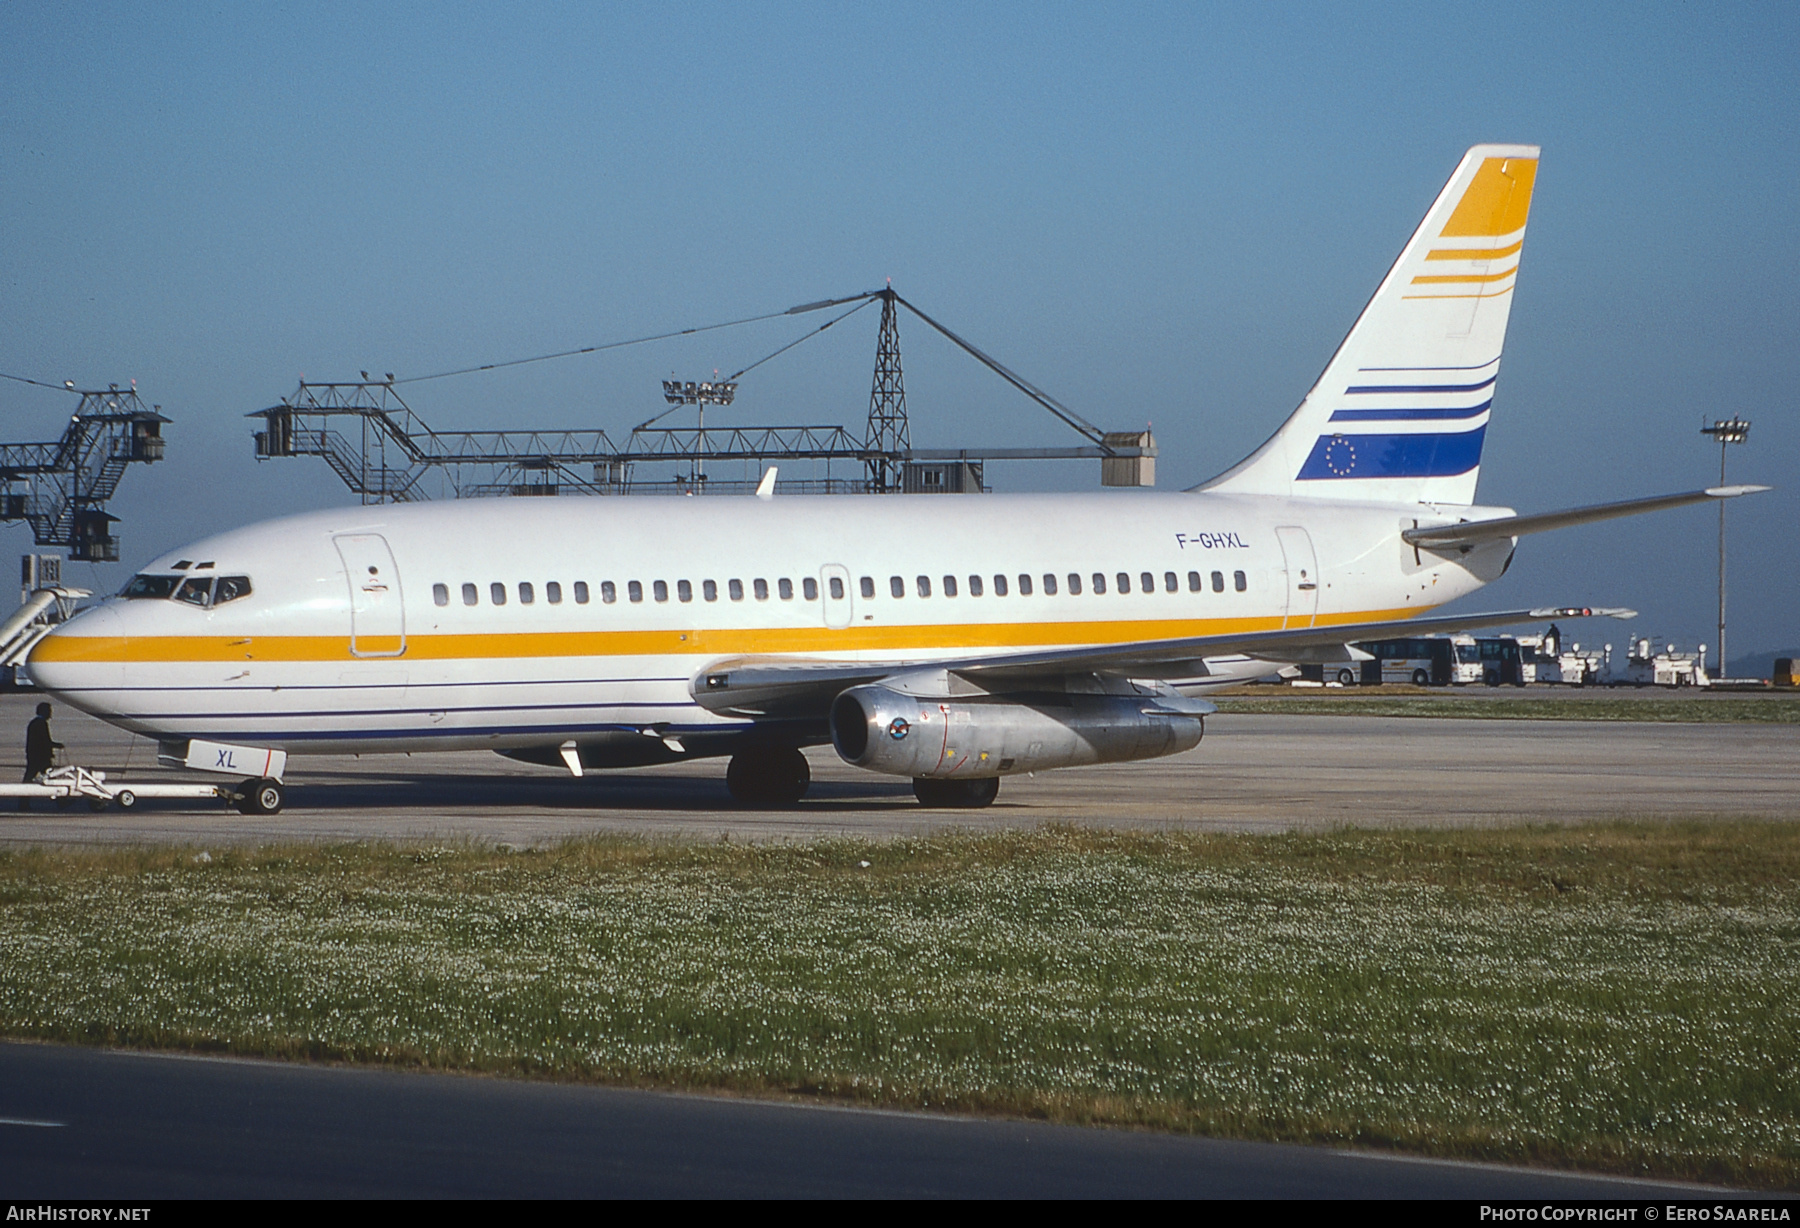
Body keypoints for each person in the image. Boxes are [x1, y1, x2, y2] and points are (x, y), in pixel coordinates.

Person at [19, 702, 63, 810]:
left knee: (29, 779)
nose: (50, 713)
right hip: (40, 758)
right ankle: (61, 801)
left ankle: (23, 803)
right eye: (49, 711)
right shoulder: (41, 724)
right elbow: (45, 741)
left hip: (34, 757)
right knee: (50, 778)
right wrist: (56, 746)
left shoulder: (34, 723)